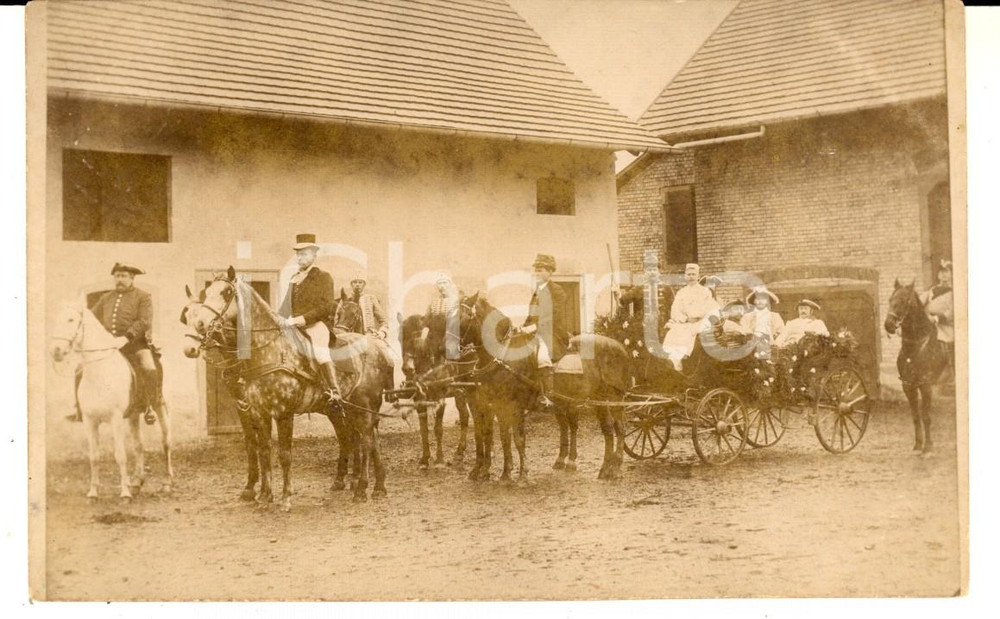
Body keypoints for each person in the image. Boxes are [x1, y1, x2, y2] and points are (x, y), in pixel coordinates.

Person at [70, 263, 160, 424]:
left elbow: (144, 321)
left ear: (132, 278)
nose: (119, 279)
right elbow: (91, 318)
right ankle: (79, 409)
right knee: (80, 368)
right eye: (117, 276)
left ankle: (149, 406)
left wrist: (127, 337)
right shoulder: (106, 298)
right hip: (108, 344)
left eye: (123, 276)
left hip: (135, 343)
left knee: (148, 366)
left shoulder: (143, 296)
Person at [278, 234, 341, 405]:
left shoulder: (323, 277)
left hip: (316, 325)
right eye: (298, 254)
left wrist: (301, 319)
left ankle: (334, 392)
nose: (300, 258)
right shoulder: (294, 278)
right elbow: (285, 307)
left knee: (320, 353)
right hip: (294, 326)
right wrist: (277, 319)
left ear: (314, 255)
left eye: (304, 254)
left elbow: (327, 307)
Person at [516, 254, 569, 408]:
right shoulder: (537, 292)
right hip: (536, 333)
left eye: (541, 270)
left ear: (550, 272)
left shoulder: (557, 291)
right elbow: (531, 315)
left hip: (553, 334)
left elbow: (555, 316)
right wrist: (522, 327)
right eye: (536, 270)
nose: (537, 273)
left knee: (542, 357)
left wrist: (534, 327)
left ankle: (548, 395)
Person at [661, 263, 719, 371]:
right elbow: (675, 310)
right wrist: (686, 319)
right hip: (685, 321)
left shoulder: (705, 291)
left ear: (698, 276)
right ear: (685, 276)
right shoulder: (681, 293)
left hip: (700, 321)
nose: (691, 277)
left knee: (688, 331)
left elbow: (708, 308)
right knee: (673, 331)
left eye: (693, 274)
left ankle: (677, 360)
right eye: (689, 274)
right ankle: (672, 358)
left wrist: (696, 316)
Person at [921, 259, 954, 382]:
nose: (943, 275)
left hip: (945, 327)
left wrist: (935, 318)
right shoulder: (932, 290)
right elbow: (919, 303)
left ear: (952, 274)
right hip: (929, 325)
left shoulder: (955, 292)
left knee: (948, 346)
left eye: (947, 272)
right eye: (941, 272)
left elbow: (952, 312)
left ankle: (951, 372)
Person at [739, 285, 785, 358]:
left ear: (767, 301)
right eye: (757, 299)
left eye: (763, 299)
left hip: (771, 347)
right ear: (754, 301)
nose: (760, 301)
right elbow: (744, 330)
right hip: (752, 348)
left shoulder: (775, 316)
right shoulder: (747, 317)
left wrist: (773, 340)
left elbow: (781, 331)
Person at [348, 271, 388, 340]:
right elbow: (337, 323)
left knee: (382, 346)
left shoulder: (371, 298)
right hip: (349, 338)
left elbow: (384, 321)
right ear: (351, 285)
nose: (357, 285)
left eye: (360, 282)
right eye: (355, 282)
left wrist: (382, 332)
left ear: (364, 285)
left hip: (368, 336)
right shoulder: (346, 300)